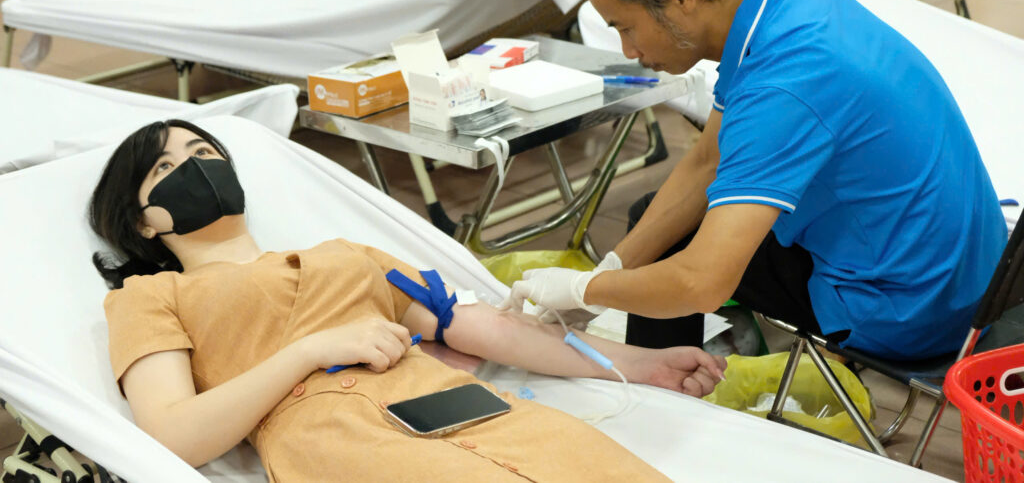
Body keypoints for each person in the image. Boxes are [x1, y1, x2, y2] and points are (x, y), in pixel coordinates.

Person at [506, 0, 1007, 361]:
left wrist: (584, 291)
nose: (627, 51)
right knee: (652, 227)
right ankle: (692, 356)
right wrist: (611, 272)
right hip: (977, 275)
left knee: (679, 253)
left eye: (625, 27)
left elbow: (701, 282)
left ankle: (660, 389)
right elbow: (709, 159)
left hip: (915, 310)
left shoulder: (781, 90)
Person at [90, 119, 726, 481]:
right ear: (142, 220)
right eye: (167, 168)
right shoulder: (150, 296)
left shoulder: (348, 255)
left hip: (469, 407)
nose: (197, 167)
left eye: (205, 153)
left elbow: (483, 328)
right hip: (335, 440)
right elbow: (173, 435)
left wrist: (640, 365)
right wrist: (309, 351)